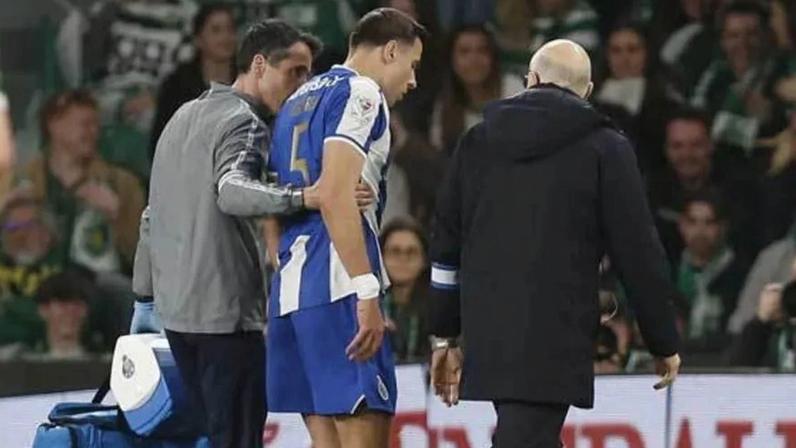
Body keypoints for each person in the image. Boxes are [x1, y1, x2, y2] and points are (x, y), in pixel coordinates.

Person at [427, 39, 681, 448]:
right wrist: (662, 338)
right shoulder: (606, 147)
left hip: (488, 329)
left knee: (527, 435)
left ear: (531, 79)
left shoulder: (476, 141)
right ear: (587, 92)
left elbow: (446, 242)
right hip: (557, 332)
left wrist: (444, 334)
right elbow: (637, 252)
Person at [144, 20, 321, 447]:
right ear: (259, 65)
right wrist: (304, 196)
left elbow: (152, 215)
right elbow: (231, 190)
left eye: (307, 74)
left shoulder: (182, 115)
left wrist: (143, 298)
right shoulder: (247, 122)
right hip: (226, 317)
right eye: (294, 71)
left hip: (176, 317)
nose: (302, 85)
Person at [265, 8, 424, 448]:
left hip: (291, 290)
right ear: (390, 51)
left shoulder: (296, 99)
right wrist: (366, 289)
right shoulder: (362, 92)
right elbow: (335, 194)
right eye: (412, 65)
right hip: (338, 283)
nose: (413, 81)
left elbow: (273, 198)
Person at [18, 90, 145, 276]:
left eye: (96, 125)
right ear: (54, 125)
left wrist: (116, 217)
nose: (93, 132)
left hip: (100, 283)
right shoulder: (22, 182)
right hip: (35, 280)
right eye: (85, 124)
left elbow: (143, 256)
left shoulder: (122, 184)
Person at [150, 3, 238, 154]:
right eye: (216, 30)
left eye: (230, 30)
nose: (226, 37)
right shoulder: (177, 85)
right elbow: (161, 142)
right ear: (198, 39)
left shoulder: (250, 80)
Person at [430, 24, 524, 154]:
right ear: (452, 61)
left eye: (482, 51)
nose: (474, 59)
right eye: (464, 52)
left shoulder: (514, 90)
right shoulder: (445, 106)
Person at [674, 194, 748, 351]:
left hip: (722, 358)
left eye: (709, 223)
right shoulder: (667, 270)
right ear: (682, 225)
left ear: (723, 227)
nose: (700, 231)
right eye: (693, 222)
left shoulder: (741, 275)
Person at [380, 217, 430, 363]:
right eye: (395, 252)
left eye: (411, 252)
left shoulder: (439, 308)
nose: (403, 259)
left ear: (424, 260)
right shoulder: (367, 306)